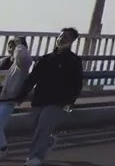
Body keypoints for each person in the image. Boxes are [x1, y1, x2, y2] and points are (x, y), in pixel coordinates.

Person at [16, 28, 82, 166]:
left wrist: (69, 103)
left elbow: (77, 84)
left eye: (66, 37)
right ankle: (49, 141)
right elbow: (32, 78)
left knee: (43, 126)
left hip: (58, 102)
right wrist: (20, 96)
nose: (62, 38)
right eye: (61, 36)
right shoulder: (46, 59)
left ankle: (35, 157)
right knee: (36, 125)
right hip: (40, 99)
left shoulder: (74, 60)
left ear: (72, 41)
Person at [0, 36, 33, 159]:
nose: (12, 45)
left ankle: (2, 149)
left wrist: (20, 45)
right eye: (11, 43)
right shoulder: (3, 61)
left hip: (8, 101)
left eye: (15, 44)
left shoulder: (22, 64)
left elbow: (22, 57)